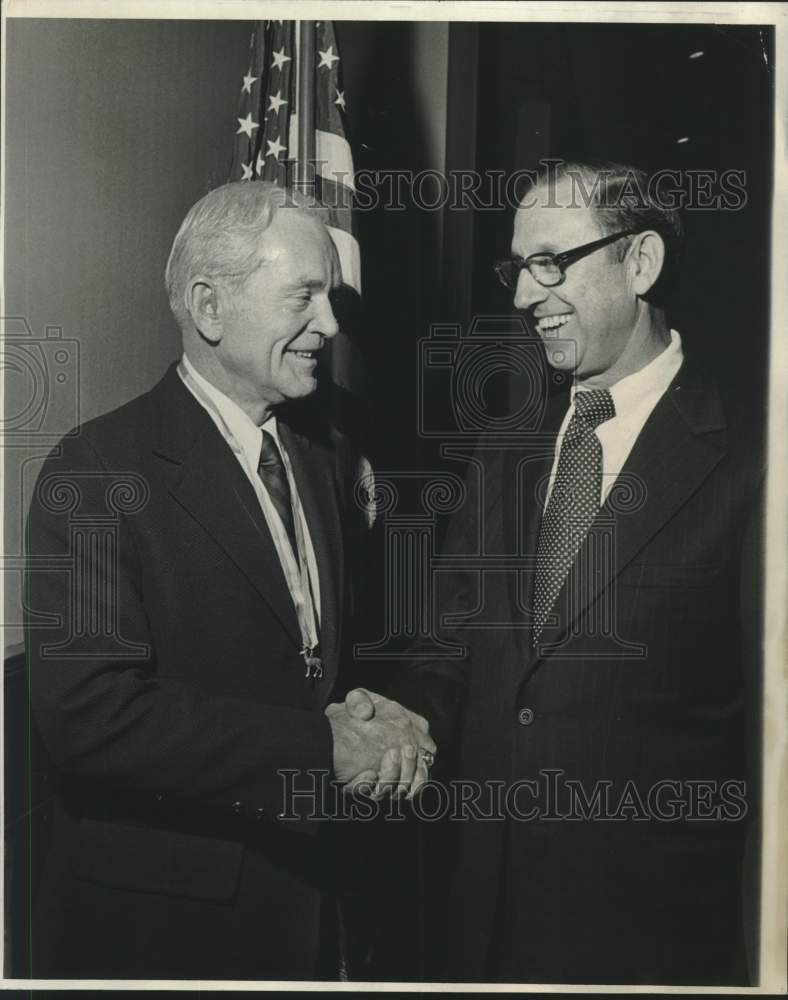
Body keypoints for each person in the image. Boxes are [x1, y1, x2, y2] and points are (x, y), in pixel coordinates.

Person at [24, 181, 435, 981]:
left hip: (314, 902)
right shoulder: (99, 469)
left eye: (331, 297)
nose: (331, 325)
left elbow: (318, 654)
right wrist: (321, 747)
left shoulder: (323, 449)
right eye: (304, 298)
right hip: (167, 926)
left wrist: (376, 712)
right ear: (210, 308)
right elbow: (88, 715)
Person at [393, 161, 765, 985]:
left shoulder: (753, 458)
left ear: (640, 264)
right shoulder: (503, 445)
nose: (527, 295)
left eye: (551, 262)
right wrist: (406, 719)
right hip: (480, 923)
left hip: (654, 944)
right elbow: (447, 645)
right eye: (518, 267)